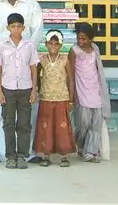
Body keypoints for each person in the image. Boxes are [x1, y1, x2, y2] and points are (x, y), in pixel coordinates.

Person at [0, 0, 43, 162]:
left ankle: (26, 152)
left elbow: (37, 32)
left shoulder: (32, 6)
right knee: (2, 110)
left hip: (25, 66)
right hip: (2, 65)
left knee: (25, 113)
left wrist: (26, 53)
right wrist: (0, 53)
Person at [0, 13, 39, 170]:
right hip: (8, 89)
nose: (16, 29)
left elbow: (33, 68)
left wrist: (34, 90)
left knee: (24, 123)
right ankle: (10, 156)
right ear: (8, 28)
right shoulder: (1, 46)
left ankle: (22, 155)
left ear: (23, 28)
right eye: (13, 26)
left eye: (19, 26)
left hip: (26, 89)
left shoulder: (29, 45)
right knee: (8, 123)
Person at [70, 22, 111, 163]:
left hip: (95, 91)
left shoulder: (95, 50)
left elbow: (98, 71)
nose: (81, 41)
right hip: (81, 91)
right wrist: (72, 92)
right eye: (79, 38)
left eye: (84, 39)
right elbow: (70, 73)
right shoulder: (74, 50)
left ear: (90, 39)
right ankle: (80, 146)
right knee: (83, 124)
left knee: (96, 124)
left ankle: (90, 152)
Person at [33, 30, 75, 167]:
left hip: (62, 98)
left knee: (62, 127)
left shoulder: (65, 60)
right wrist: (37, 91)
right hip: (46, 98)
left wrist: (71, 99)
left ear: (60, 46)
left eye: (56, 44)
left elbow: (70, 79)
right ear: (45, 44)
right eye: (50, 43)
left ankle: (64, 156)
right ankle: (46, 156)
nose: (53, 46)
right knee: (46, 127)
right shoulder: (42, 60)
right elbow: (36, 78)